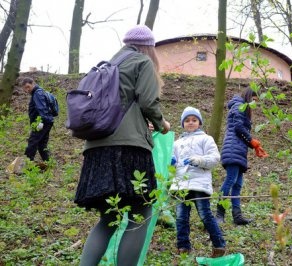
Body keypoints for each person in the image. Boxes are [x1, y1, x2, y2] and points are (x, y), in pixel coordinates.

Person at [74, 25, 171, 266]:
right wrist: (162, 124)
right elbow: (149, 102)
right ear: (149, 46)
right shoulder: (141, 62)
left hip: (97, 149)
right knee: (140, 214)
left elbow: (121, 107)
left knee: (109, 218)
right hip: (129, 150)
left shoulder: (106, 65)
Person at [169, 106, 226, 258]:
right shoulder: (176, 143)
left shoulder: (206, 139)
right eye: (187, 120)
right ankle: (183, 247)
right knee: (181, 216)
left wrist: (199, 160)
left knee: (205, 214)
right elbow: (171, 167)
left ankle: (219, 245)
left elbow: (215, 158)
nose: (190, 123)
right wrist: (171, 163)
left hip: (199, 184)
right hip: (181, 184)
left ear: (199, 122)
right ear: (182, 124)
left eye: (194, 120)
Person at [216, 88, 268, 225]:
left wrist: (253, 145)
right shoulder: (239, 106)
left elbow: (240, 130)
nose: (254, 104)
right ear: (249, 96)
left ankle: (237, 216)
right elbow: (238, 127)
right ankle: (219, 214)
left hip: (238, 150)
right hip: (233, 148)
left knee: (237, 184)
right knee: (230, 180)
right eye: (254, 100)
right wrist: (252, 141)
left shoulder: (240, 106)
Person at [21, 77, 54, 163]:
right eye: (25, 88)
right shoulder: (39, 92)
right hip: (47, 121)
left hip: (41, 122)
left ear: (33, 83)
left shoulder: (37, 93)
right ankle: (49, 163)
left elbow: (42, 108)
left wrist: (41, 122)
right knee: (42, 144)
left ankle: (27, 165)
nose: (27, 90)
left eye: (28, 87)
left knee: (32, 142)